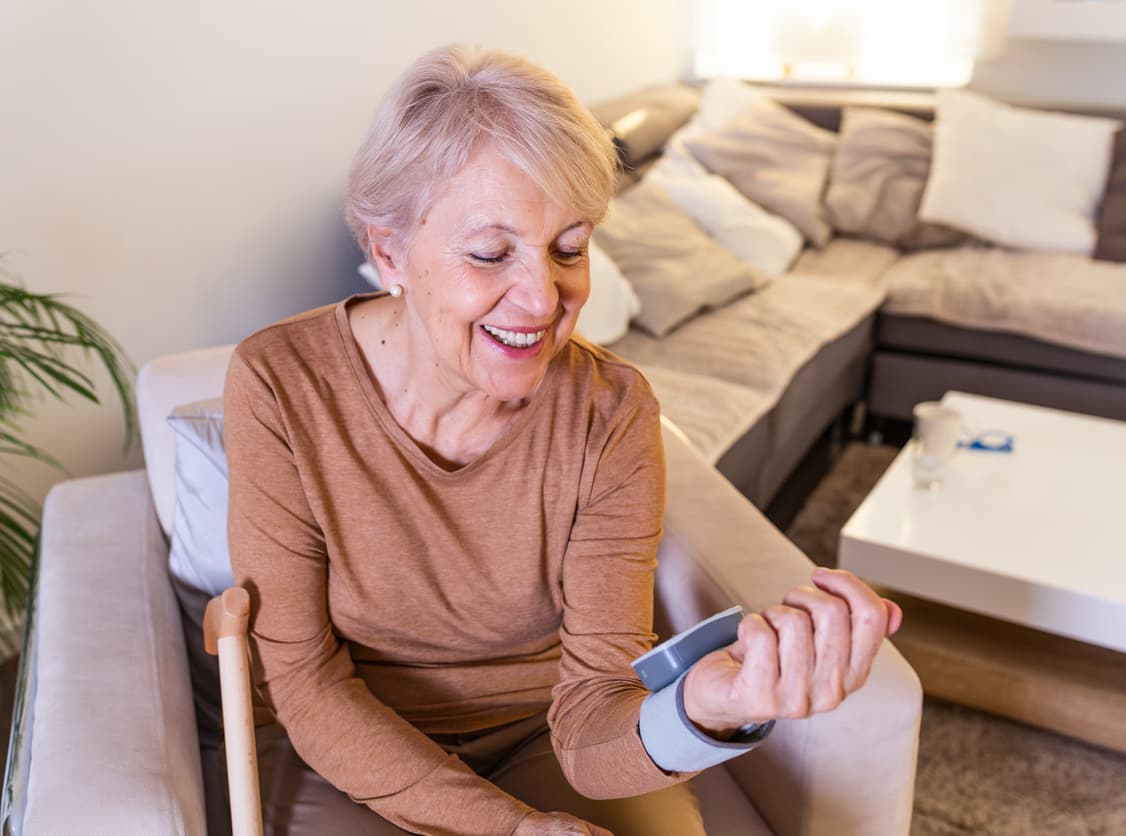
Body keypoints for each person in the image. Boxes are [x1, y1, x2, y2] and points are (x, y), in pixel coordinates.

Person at [223, 45, 903, 836]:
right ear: (389, 253)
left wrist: (708, 704)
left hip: (550, 733)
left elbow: (593, 720)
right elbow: (303, 680)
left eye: (569, 248)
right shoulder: (281, 383)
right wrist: (507, 828)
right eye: (490, 252)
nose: (544, 298)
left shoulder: (609, 413)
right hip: (356, 751)